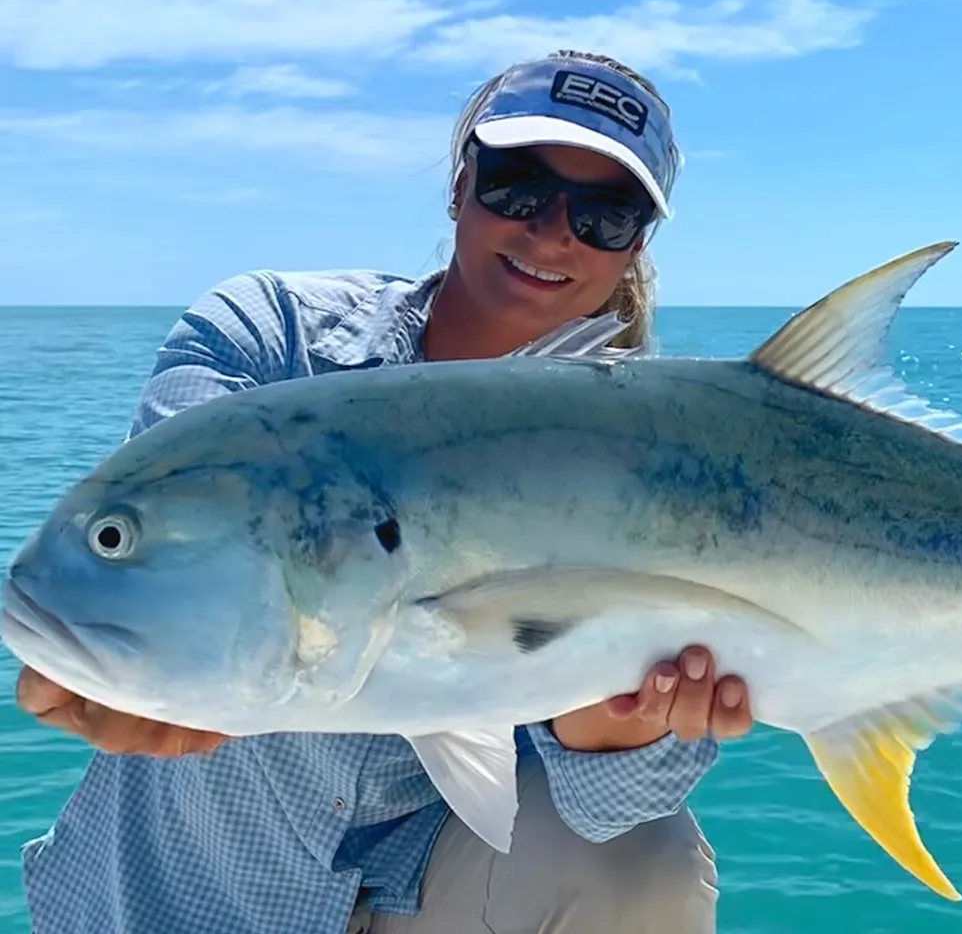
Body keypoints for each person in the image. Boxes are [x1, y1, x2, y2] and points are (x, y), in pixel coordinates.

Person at [13, 50, 754, 934]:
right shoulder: (266, 339)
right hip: (185, 893)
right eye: (519, 184)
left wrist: (617, 724)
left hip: (431, 887)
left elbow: (607, 811)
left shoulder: (665, 466)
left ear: (637, 243)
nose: (555, 232)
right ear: (461, 183)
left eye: (605, 214)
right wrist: (125, 654)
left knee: (643, 868)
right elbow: (187, 545)